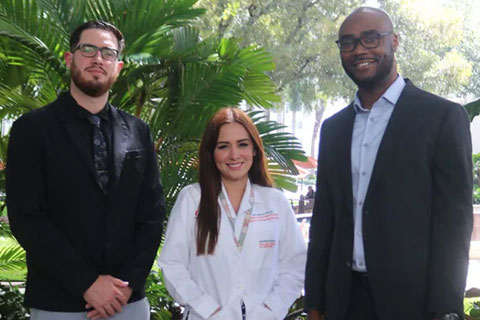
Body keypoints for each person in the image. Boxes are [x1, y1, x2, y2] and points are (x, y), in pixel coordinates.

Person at [304, 7, 472, 320]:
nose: (359, 50)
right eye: (348, 43)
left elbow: (455, 221)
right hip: (345, 302)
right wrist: (314, 303)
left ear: (393, 41)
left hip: (415, 304)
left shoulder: (442, 118)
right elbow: (324, 220)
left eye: (371, 39)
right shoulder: (334, 128)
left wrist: (445, 309)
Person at [6, 20, 165, 320]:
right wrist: (87, 283)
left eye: (107, 53)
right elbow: (27, 218)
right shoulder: (32, 130)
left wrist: (126, 286)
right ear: (70, 59)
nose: (97, 59)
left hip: (127, 301)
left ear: (117, 67)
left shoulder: (138, 131)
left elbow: (152, 214)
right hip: (59, 302)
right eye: (88, 49)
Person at [158, 108, 306, 320]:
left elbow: (294, 266)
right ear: (211, 153)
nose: (234, 155)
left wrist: (269, 311)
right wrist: (210, 311)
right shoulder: (192, 199)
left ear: (255, 149)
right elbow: (172, 265)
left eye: (242, 144)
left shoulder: (275, 203)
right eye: (223, 146)